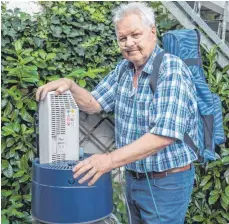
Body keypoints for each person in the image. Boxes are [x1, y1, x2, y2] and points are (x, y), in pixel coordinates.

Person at [36, 2, 199, 224]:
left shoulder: (171, 69)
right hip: (133, 178)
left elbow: (164, 135)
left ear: (152, 32)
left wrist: (108, 161)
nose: (129, 43)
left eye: (135, 35)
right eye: (122, 38)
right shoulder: (123, 69)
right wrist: (70, 86)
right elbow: (94, 103)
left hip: (167, 183)